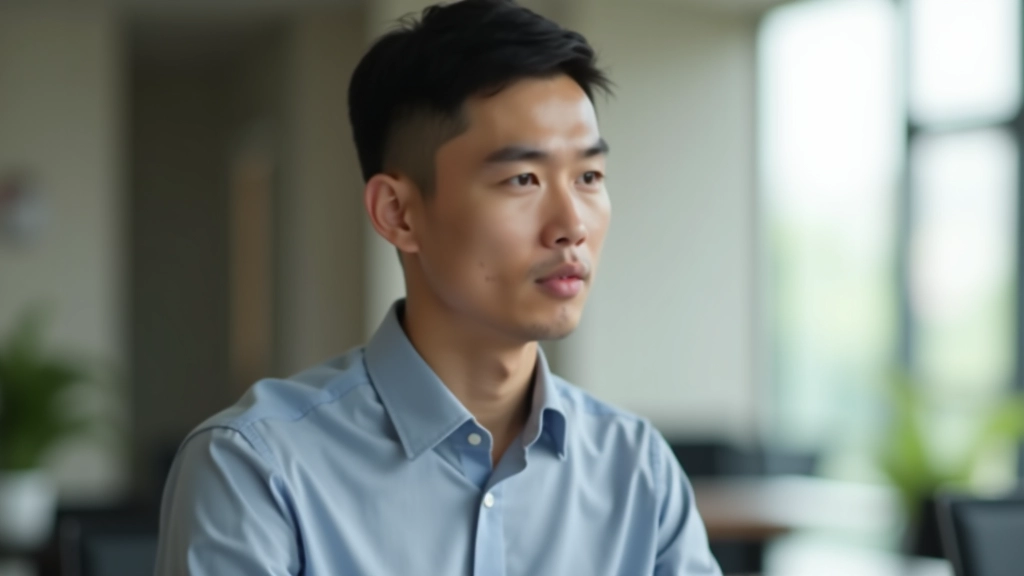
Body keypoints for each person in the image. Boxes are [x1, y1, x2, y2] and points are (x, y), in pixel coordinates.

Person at [154, 1, 721, 574]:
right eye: (522, 178)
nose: (571, 225)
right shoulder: (255, 468)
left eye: (589, 177)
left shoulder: (637, 469)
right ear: (398, 213)